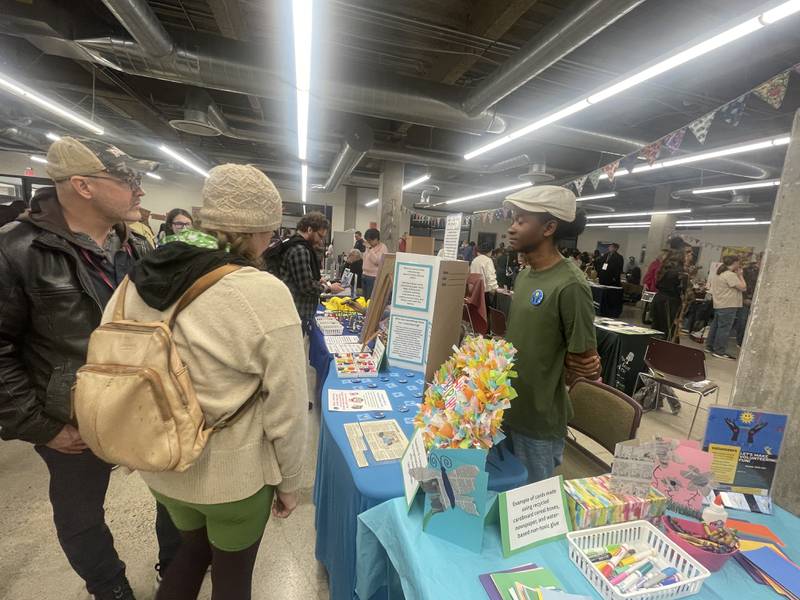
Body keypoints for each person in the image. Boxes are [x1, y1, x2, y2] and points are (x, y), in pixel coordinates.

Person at [108, 164, 308, 600]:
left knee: (192, 554)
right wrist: (291, 483)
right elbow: (288, 405)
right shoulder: (261, 292)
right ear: (258, 232)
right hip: (232, 474)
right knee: (233, 580)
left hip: (161, 460)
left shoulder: (137, 277)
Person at [0, 137, 181, 600]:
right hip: (72, 420)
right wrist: (42, 428)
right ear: (81, 185)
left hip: (141, 405)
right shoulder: (16, 251)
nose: (140, 190)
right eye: (128, 179)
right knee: (80, 516)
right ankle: (110, 587)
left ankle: (175, 569)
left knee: (175, 495)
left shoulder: (135, 245)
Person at [502, 186, 600, 483]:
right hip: (506, 409)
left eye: (521, 221)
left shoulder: (570, 285)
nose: (511, 227)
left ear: (548, 227)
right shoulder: (524, 276)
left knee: (528, 513)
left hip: (538, 422)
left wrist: (581, 366)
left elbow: (584, 362)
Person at [279, 212, 344, 330]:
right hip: (298, 313)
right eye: (320, 236)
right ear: (309, 229)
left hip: (296, 311)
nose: (320, 241)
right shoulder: (300, 249)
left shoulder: (296, 244)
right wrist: (329, 288)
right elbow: (307, 286)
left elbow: (301, 278)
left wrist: (318, 279)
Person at [706, 256, 746, 359]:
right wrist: (740, 275)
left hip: (720, 304)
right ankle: (719, 351)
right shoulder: (730, 275)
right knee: (724, 329)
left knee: (715, 327)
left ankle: (709, 346)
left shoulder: (720, 273)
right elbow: (743, 287)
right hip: (728, 305)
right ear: (735, 263)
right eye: (738, 263)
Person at [735, 257, 760, 346]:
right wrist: (743, 298)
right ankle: (740, 342)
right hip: (746, 299)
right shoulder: (747, 270)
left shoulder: (768, 271)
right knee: (743, 321)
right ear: (759, 258)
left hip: (759, 301)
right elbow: (740, 284)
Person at [362, 228, 387, 299]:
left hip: (373, 277)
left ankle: (368, 310)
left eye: (370, 240)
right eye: (367, 240)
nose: (369, 242)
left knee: (370, 299)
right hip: (364, 274)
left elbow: (377, 261)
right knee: (364, 298)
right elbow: (366, 259)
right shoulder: (370, 247)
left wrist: (370, 249)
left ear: (376, 239)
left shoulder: (382, 247)